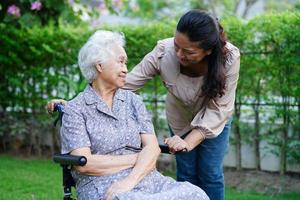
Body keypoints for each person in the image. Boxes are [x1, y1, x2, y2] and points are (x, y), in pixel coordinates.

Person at [48, 10, 240, 200]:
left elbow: (219, 108)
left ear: (208, 50)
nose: (179, 54)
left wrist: (185, 143)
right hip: (180, 118)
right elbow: (127, 80)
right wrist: (75, 102)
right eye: (176, 46)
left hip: (214, 120)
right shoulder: (164, 51)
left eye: (188, 51)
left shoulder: (229, 58)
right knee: (187, 173)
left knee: (209, 176)